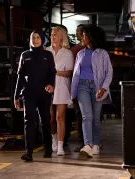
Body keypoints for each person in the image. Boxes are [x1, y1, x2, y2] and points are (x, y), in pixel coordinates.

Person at [71, 25, 113, 157]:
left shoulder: (102, 53)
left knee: (95, 118)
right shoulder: (80, 54)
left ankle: (95, 144)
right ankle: (87, 145)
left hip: (97, 87)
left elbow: (109, 73)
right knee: (86, 116)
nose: (82, 37)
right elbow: (75, 74)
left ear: (91, 37)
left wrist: (103, 88)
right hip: (82, 86)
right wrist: (73, 92)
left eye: (84, 35)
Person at [14, 30, 56, 162]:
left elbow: (52, 73)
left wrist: (51, 84)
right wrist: (16, 95)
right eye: (33, 38)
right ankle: (29, 152)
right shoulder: (24, 55)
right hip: (29, 93)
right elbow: (20, 77)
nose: (35, 40)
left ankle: (48, 149)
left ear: (42, 39)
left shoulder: (48, 55)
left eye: (38, 38)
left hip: (44, 94)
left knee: (45, 121)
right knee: (29, 122)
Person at [46, 26, 74, 156]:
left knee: (60, 116)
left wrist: (55, 72)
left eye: (55, 34)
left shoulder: (67, 53)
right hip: (47, 87)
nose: (53, 37)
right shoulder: (46, 52)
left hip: (62, 86)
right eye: (51, 34)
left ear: (62, 36)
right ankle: (54, 138)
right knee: (50, 118)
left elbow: (69, 72)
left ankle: (61, 145)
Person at [69, 24, 85, 152]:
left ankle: (92, 141)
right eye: (77, 31)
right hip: (77, 85)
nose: (77, 34)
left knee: (91, 116)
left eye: (79, 31)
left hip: (90, 86)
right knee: (79, 115)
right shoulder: (74, 50)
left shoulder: (94, 49)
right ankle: (82, 142)